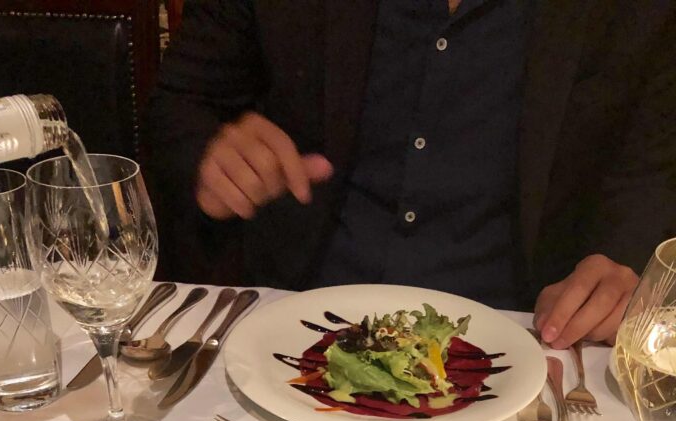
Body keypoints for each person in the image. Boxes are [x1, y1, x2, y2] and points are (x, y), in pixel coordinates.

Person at [145, 0, 676, 348]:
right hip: (288, 327)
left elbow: (648, 165)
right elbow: (181, 104)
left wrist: (622, 264)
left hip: (520, 342)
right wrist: (211, 157)